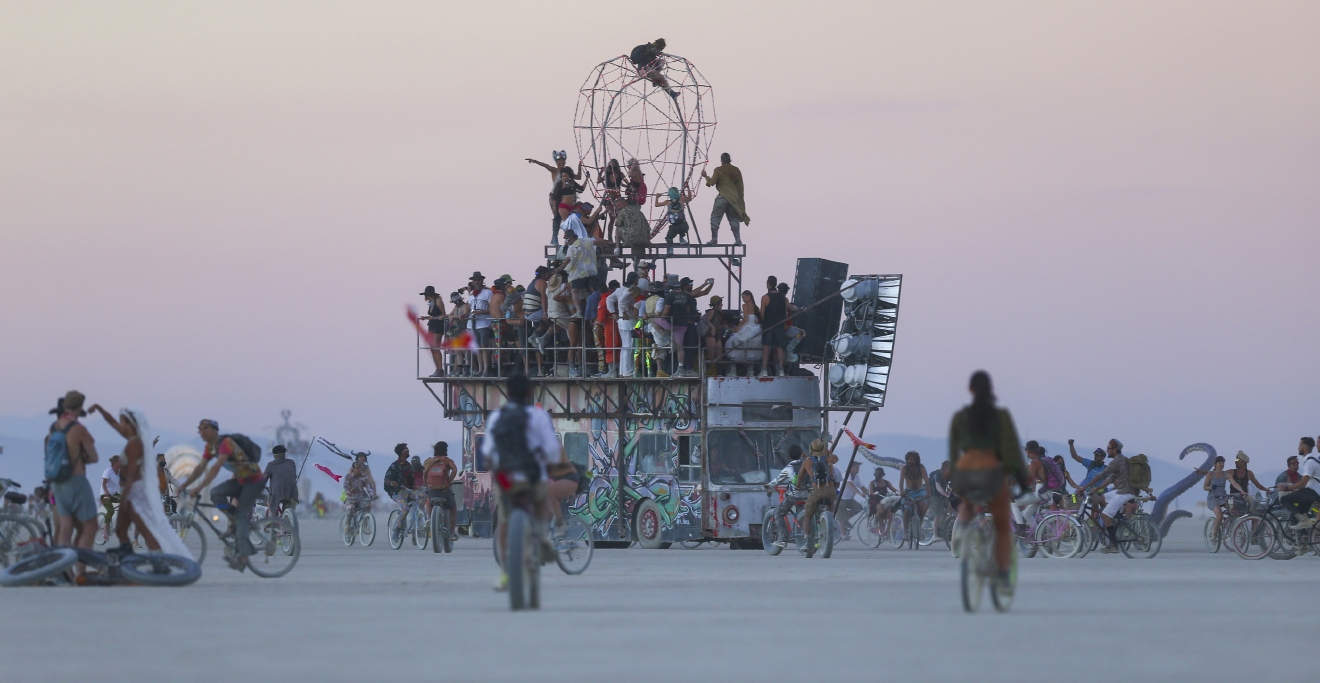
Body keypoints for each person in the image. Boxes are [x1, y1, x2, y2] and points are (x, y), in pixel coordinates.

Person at [483, 374, 565, 590]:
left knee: (503, 522)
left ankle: (505, 574)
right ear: (529, 393)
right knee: (542, 498)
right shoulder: (538, 416)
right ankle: (543, 536)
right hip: (531, 476)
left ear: (507, 393)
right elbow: (553, 450)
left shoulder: (496, 417)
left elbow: (487, 452)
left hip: (506, 478)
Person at [948, 371, 1028, 594]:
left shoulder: (960, 417)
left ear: (970, 389)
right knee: (1002, 524)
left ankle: (963, 528)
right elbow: (1012, 451)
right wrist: (1021, 480)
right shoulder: (1000, 416)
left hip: (964, 471)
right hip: (990, 471)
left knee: (968, 503)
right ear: (991, 389)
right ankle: (1002, 576)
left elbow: (953, 453)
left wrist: (955, 477)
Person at [85, 404, 189, 557]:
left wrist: (126, 495)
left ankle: (159, 561)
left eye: (123, 422)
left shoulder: (135, 444)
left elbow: (132, 471)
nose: (120, 425)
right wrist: (100, 410)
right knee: (120, 529)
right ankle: (127, 556)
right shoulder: (132, 440)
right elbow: (113, 423)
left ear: (130, 424)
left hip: (135, 492)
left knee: (145, 529)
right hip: (128, 490)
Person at [179, 419, 266, 568]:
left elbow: (216, 468)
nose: (202, 432)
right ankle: (233, 522)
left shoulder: (226, 443)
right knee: (216, 493)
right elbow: (200, 468)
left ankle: (242, 559)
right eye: (199, 429)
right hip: (240, 481)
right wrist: (184, 485)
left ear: (215, 430)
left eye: (205, 428)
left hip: (254, 481)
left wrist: (198, 488)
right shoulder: (210, 448)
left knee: (241, 515)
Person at [47, 392, 100, 567]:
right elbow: (94, 457)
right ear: (80, 407)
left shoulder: (53, 427)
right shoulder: (78, 429)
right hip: (76, 480)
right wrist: (81, 456)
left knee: (65, 526)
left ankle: (63, 569)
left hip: (56, 482)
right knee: (90, 527)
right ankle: (81, 570)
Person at [1079, 438, 1153, 553]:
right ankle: (1117, 518)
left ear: (1115, 449)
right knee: (1104, 497)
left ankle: (1113, 545)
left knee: (1105, 515)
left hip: (1125, 491)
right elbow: (1110, 479)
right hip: (1123, 490)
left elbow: (1101, 475)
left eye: (1109, 448)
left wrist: (1084, 487)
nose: (1107, 450)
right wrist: (1097, 489)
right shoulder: (1122, 460)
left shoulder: (1117, 461)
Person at [526, 150, 581, 244]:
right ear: (556, 162)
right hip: (554, 196)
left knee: (570, 217)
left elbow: (579, 177)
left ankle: (570, 237)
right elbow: (545, 165)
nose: (561, 163)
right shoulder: (555, 171)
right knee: (557, 216)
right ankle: (554, 237)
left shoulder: (567, 172)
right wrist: (534, 161)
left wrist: (580, 167)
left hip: (565, 197)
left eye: (563, 161)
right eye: (559, 161)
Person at [796, 440, 838, 556]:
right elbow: (836, 458)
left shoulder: (807, 462)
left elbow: (800, 477)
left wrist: (798, 487)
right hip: (830, 491)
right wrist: (828, 453)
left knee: (808, 515)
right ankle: (831, 522)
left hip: (816, 492)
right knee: (830, 502)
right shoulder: (829, 459)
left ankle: (807, 540)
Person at [700, 152, 749, 245]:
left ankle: (714, 239)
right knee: (733, 219)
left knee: (715, 217)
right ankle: (738, 240)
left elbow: (711, 183)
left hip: (722, 197)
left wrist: (705, 176)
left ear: (721, 160)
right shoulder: (736, 170)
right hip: (733, 199)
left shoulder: (719, 170)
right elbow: (740, 185)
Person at [759, 276, 798, 377]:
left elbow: (762, 315)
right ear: (776, 284)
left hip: (768, 326)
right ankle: (781, 370)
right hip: (779, 326)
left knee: (766, 348)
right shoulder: (784, 298)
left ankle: (764, 370)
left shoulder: (765, 297)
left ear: (768, 284)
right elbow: (785, 313)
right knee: (779, 348)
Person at [1279, 437, 1320, 529]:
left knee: (1284, 499)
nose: (1298, 448)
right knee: (1296, 517)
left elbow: (1303, 483)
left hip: (1312, 492)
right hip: (1313, 493)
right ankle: (1304, 539)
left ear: (1304, 448)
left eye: (1299, 445)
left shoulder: (1310, 462)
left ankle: (1305, 521)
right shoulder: (1313, 460)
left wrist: (1286, 488)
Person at [422, 442, 458, 542]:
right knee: (453, 508)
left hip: (432, 490)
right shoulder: (447, 460)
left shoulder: (429, 461)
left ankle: (429, 519)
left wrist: (426, 483)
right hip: (444, 491)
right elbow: (454, 470)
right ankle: (451, 532)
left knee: (428, 501)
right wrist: (449, 482)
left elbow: (424, 473)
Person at [383, 443, 419, 542]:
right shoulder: (394, 466)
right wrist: (392, 483)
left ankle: (417, 528)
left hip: (408, 492)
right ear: (402, 453)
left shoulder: (408, 465)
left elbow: (412, 480)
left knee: (422, 497)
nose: (408, 451)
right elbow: (386, 480)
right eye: (406, 450)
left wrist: (417, 487)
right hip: (397, 493)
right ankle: (397, 529)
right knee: (405, 508)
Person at [608, 275, 639, 378]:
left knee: (625, 346)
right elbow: (621, 301)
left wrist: (613, 313)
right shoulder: (630, 291)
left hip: (621, 320)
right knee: (629, 346)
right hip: (627, 320)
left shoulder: (619, 290)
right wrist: (624, 312)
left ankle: (623, 371)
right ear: (635, 281)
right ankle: (627, 371)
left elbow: (609, 299)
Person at [468, 272, 494, 377]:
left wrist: (481, 312)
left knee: (484, 346)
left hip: (484, 323)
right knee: (477, 348)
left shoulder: (488, 293)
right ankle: (480, 369)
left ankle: (486, 369)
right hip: (473, 324)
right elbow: (468, 308)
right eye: (475, 280)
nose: (477, 281)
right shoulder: (471, 294)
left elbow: (492, 308)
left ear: (482, 281)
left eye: (478, 279)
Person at [898, 451, 929, 535]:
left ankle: (919, 527)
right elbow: (901, 481)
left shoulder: (921, 467)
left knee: (923, 508)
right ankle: (905, 531)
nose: (910, 461)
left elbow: (926, 480)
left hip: (920, 491)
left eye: (912, 459)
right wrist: (901, 492)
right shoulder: (905, 468)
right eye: (908, 459)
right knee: (907, 510)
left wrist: (929, 492)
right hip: (908, 492)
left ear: (916, 460)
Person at [420, 285, 447, 377]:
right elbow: (432, 315)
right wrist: (426, 317)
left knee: (436, 347)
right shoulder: (431, 302)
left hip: (438, 326)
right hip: (431, 325)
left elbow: (443, 315)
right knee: (432, 348)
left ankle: (440, 369)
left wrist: (434, 317)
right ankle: (437, 368)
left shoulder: (438, 301)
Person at [264, 445, 299, 516]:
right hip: (292, 493)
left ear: (274, 455)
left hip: (277, 493)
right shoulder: (291, 462)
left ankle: (271, 519)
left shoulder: (271, 465)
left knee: (270, 501)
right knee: (290, 508)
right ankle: (288, 520)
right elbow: (294, 476)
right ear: (284, 454)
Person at [654, 187, 691, 253]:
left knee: (669, 237)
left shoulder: (667, 202)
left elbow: (656, 205)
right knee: (682, 230)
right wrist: (688, 188)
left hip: (674, 226)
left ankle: (670, 249)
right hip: (684, 225)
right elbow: (689, 198)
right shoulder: (681, 200)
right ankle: (682, 238)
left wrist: (657, 197)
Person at [1203, 455, 1231, 539]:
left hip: (1223, 497)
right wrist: (1210, 487)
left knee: (1234, 510)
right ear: (1215, 464)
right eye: (1219, 463)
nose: (1221, 464)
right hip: (1213, 498)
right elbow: (1205, 487)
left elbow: (1234, 483)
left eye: (1223, 463)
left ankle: (1229, 526)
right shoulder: (1210, 474)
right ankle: (1214, 534)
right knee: (1219, 515)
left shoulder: (1226, 474)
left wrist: (1241, 491)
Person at [342, 453, 376, 519]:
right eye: (357, 468)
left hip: (361, 495)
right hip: (351, 496)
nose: (359, 470)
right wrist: (349, 491)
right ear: (353, 469)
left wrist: (372, 494)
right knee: (351, 509)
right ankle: (348, 526)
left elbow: (369, 486)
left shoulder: (364, 477)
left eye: (360, 468)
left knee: (368, 506)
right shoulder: (349, 476)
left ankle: (365, 525)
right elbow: (346, 486)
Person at [836, 461, 865, 539]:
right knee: (842, 517)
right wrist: (860, 493)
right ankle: (843, 535)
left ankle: (846, 519)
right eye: (856, 468)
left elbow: (862, 487)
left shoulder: (857, 477)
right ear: (851, 468)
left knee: (859, 507)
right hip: (840, 498)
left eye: (858, 468)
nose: (858, 469)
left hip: (849, 499)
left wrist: (869, 493)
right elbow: (851, 485)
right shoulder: (845, 475)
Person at [99, 454, 123, 543]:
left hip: (115, 494)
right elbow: (103, 484)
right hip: (105, 495)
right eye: (120, 462)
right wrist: (106, 492)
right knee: (111, 511)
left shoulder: (119, 472)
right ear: (115, 463)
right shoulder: (108, 471)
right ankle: (105, 531)